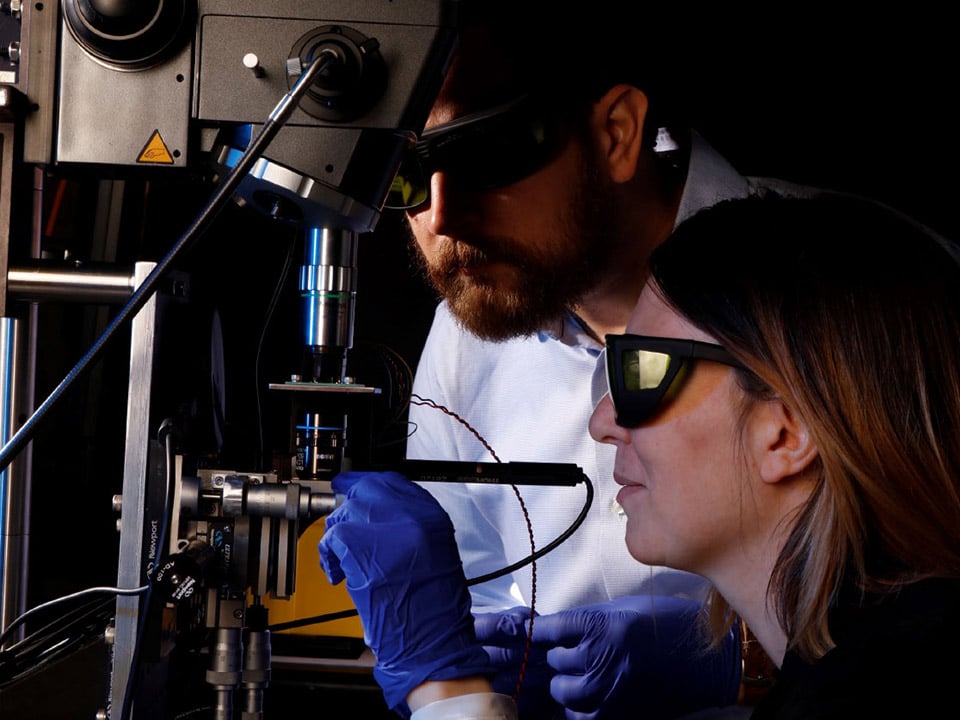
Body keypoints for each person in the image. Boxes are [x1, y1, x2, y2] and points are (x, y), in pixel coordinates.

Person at [320, 191, 960, 719]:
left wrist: (445, 691)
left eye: (642, 371)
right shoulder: (885, 656)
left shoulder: (881, 691)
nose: (602, 421)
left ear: (787, 433)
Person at [389, 2, 806, 717]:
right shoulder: (465, 336)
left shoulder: (861, 288)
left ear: (616, 133)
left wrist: (749, 660)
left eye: (486, 152)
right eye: (399, 176)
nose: (443, 215)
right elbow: (480, 596)